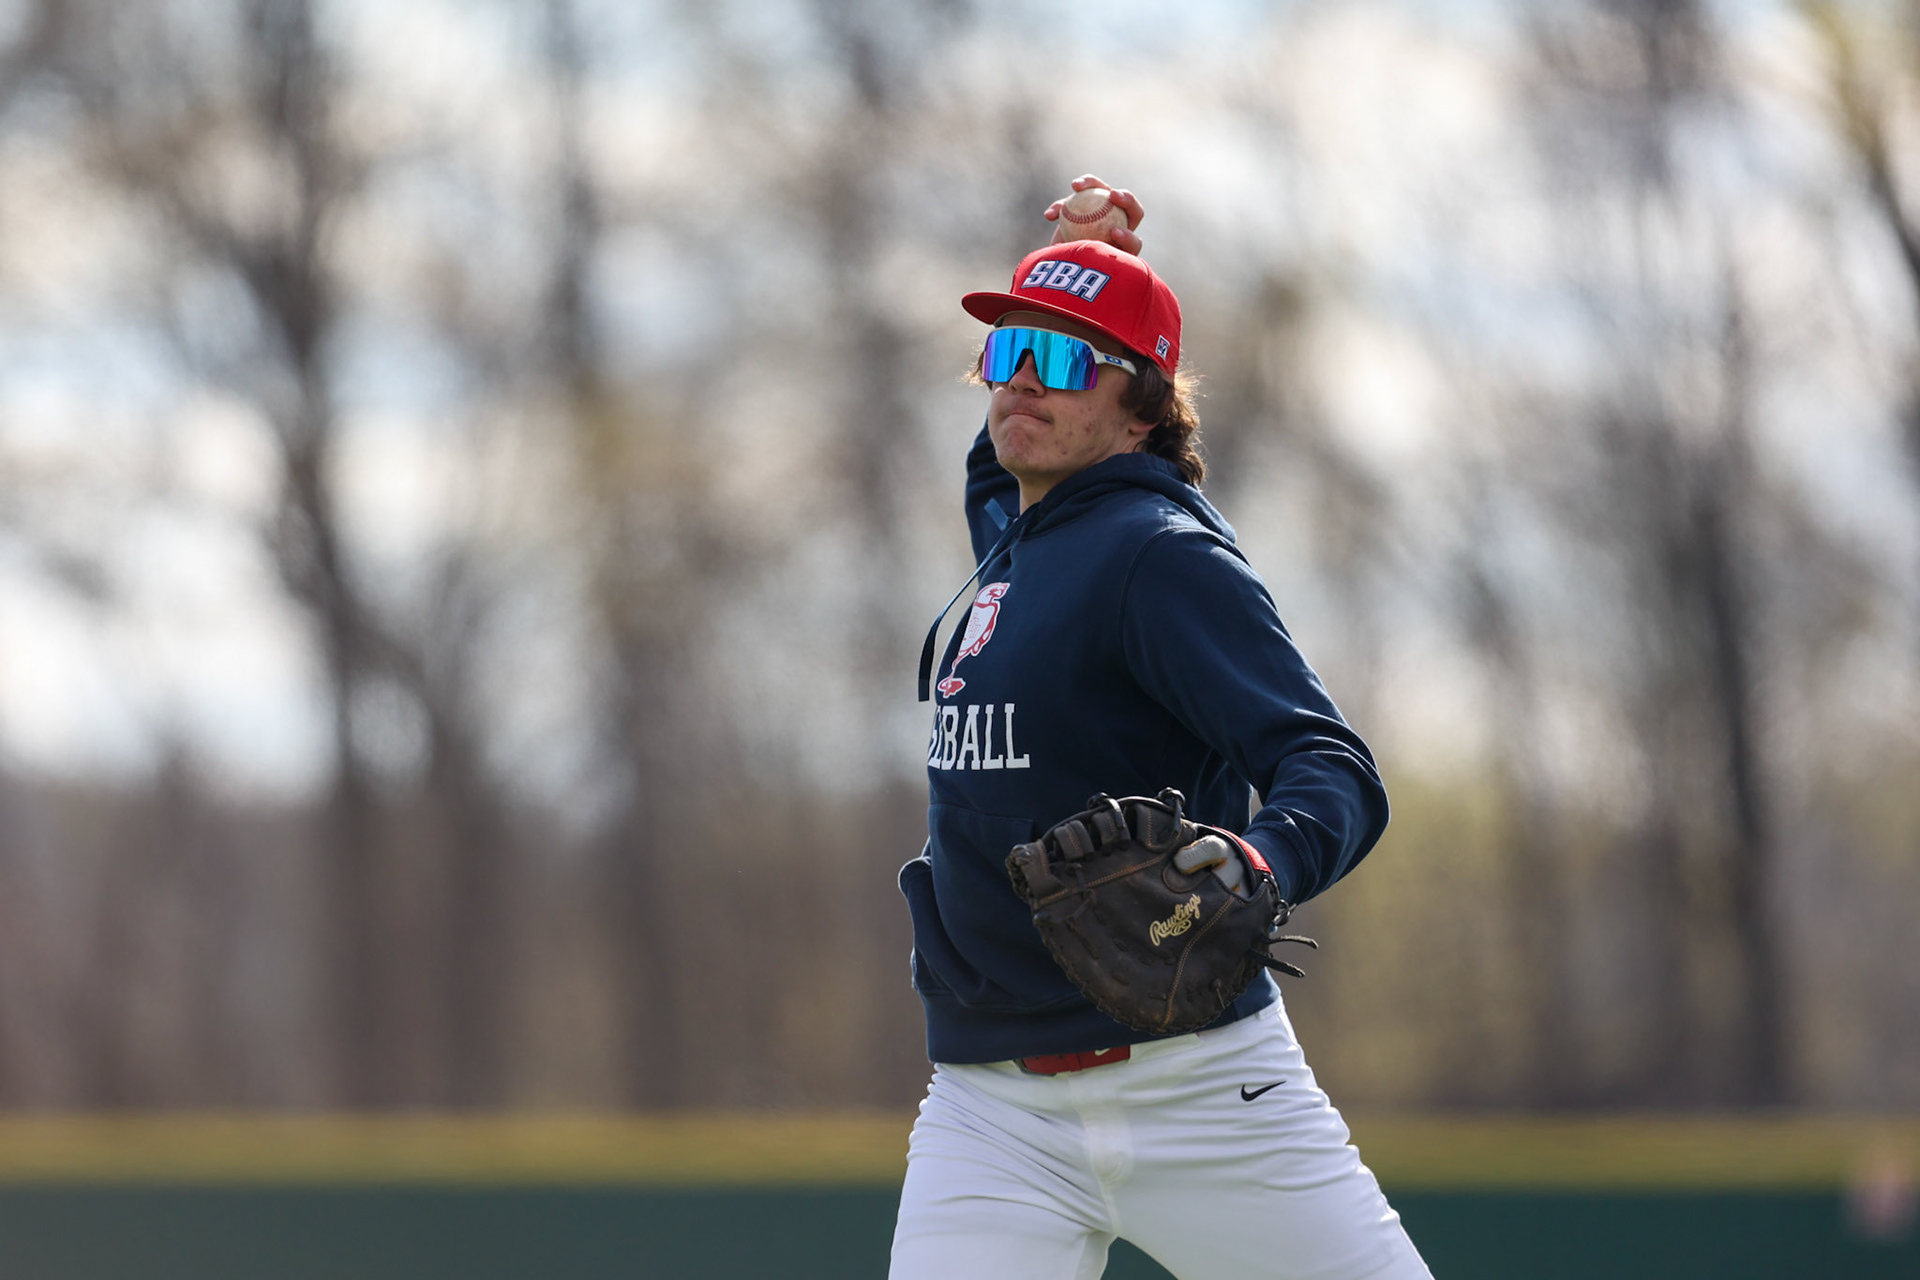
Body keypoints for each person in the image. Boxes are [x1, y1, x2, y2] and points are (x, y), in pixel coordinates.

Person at [888, 178, 1434, 1280]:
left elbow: (1330, 768)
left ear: (1143, 407)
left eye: (1062, 361)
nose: (1018, 387)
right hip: (994, 1113)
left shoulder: (1157, 555)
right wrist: (1083, 278)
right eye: (1007, 357)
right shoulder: (1017, 536)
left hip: (1201, 1089)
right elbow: (1001, 452)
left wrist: (1255, 857)